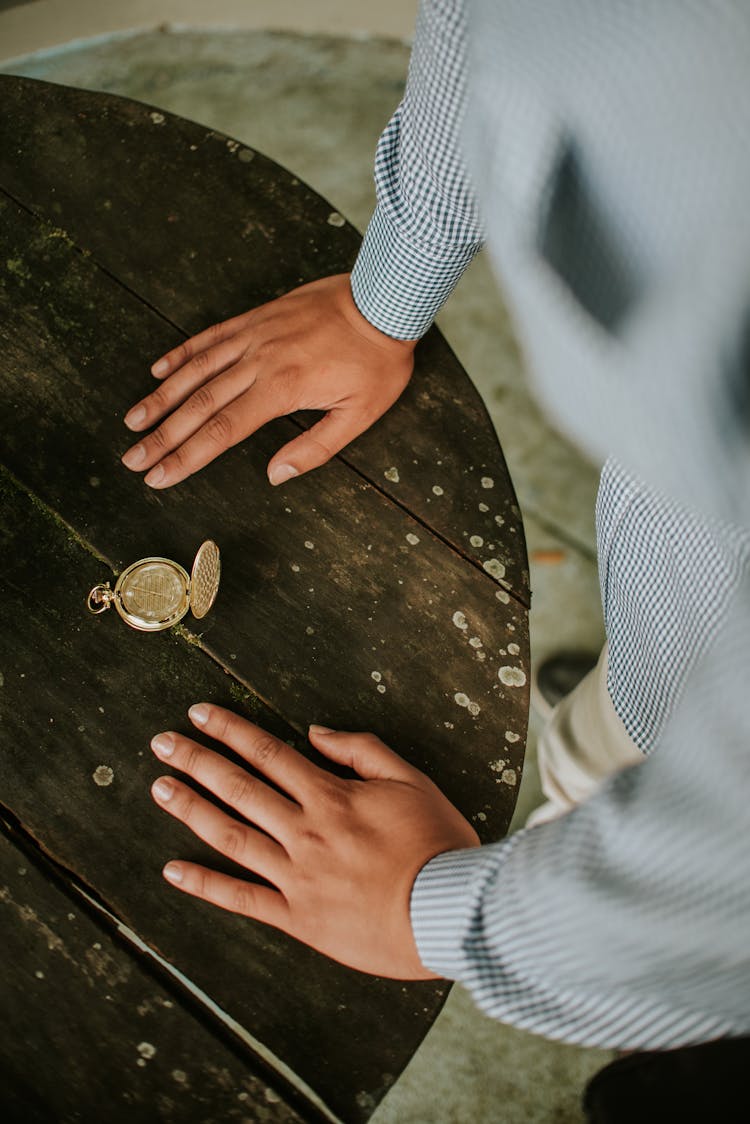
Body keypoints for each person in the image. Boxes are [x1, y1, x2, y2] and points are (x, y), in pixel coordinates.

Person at [122, 0, 750, 1054]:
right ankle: (597, 742)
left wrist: (436, 913)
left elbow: (720, 898)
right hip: (678, 609)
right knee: (601, 733)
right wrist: (388, 287)